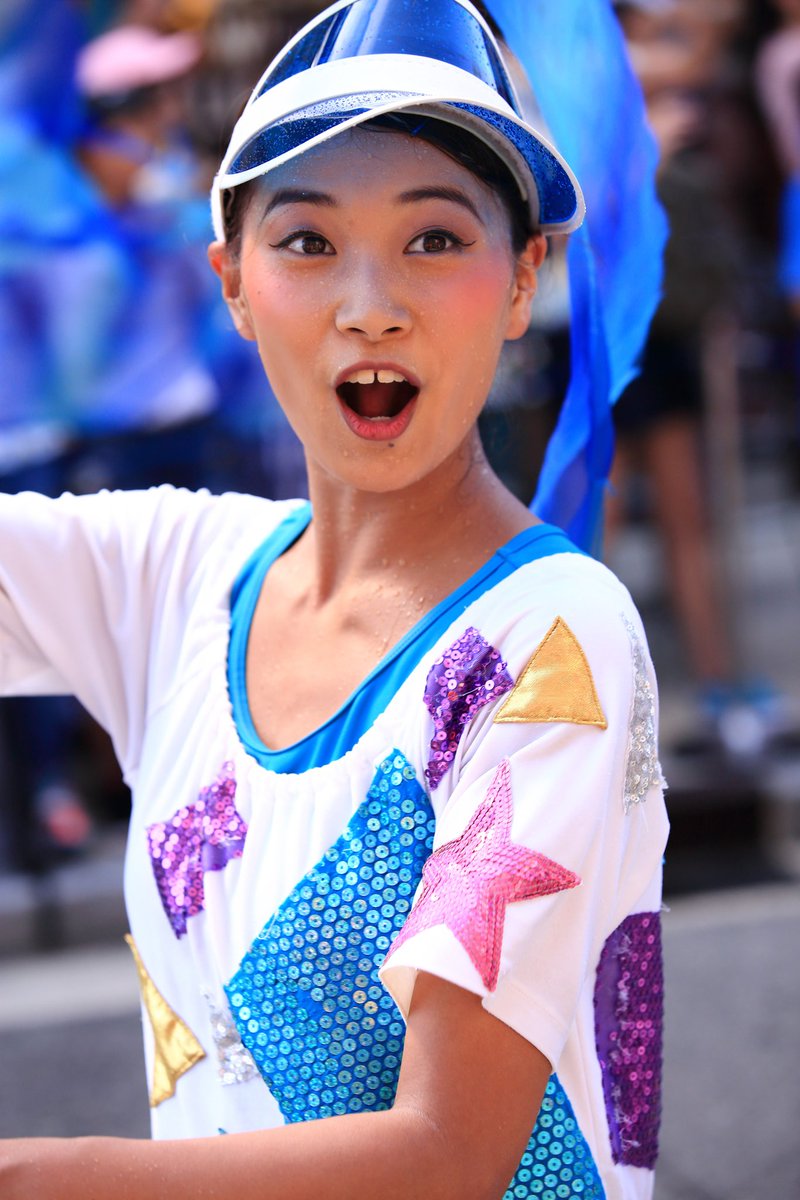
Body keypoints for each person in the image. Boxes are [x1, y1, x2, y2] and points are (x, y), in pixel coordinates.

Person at [0, 2, 669, 1197]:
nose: (369, 304)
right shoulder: (174, 575)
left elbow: (447, 1155)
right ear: (232, 282)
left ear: (524, 277)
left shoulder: (550, 636)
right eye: (307, 241)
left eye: (434, 239)